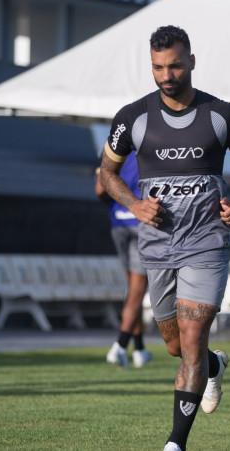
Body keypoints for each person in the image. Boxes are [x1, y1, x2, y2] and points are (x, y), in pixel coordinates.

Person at [97, 25, 230, 451]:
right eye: (158, 68)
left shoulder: (224, 115)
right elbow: (106, 173)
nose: (166, 75)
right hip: (157, 245)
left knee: (192, 340)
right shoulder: (132, 117)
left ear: (191, 61)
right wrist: (135, 205)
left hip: (207, 241)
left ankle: (175, 443)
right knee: (175, 346)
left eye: (174, 65)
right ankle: (214, 366)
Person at [95, 157, 152, 369]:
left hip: (117, 224)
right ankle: (119, 346)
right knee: (137, 292)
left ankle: (139, 349)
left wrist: (118, 203)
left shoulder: (111, 146)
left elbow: (100, 191)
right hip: (141, 223)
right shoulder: (152, 141)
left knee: (132, 292)